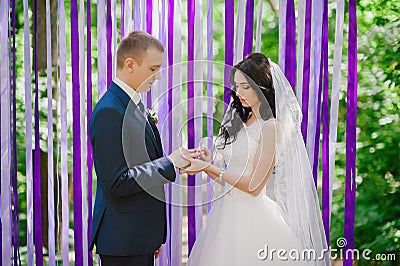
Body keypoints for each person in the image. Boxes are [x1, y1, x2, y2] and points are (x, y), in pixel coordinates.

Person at [183, 53, 330, 265]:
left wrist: (208, 167)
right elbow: (230, 180)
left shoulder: (271, 127)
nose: (238, 92)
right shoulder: (242, 119)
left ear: (262, 87)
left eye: (245, 86)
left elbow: (254, 186)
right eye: (236, 86)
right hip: (227, 215)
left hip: (254, 219)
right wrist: (209, 165)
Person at [89, 31, 190, 266]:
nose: (158, 77)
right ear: (130, 64)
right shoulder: (109, 112)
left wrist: (180, 161)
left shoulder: (132, 104)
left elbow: (142, 162)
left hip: (138, 237)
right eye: (153, 69)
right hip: (123, 241)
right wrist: (170, 163)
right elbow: (117, 181)